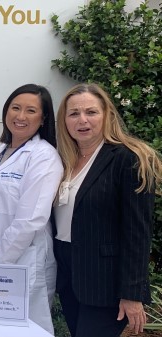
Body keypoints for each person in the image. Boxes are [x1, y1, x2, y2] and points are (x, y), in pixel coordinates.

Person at [53, 83, 160, 337]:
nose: (82, 120)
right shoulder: (64, 160)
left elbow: (138, 233)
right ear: (64, 120)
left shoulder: (128, 158)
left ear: (107, 115)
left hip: (105, 281)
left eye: (91, 112)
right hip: (70, 277)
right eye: (74, 113)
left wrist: (132, 294)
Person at [0, 84, 62, 334]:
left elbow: (30, 220)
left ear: (43, 118)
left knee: (26, 329)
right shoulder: (2, 150)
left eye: (31, 110)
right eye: (15, 108)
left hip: (24, 262)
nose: (20, 116)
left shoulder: (44, 156)